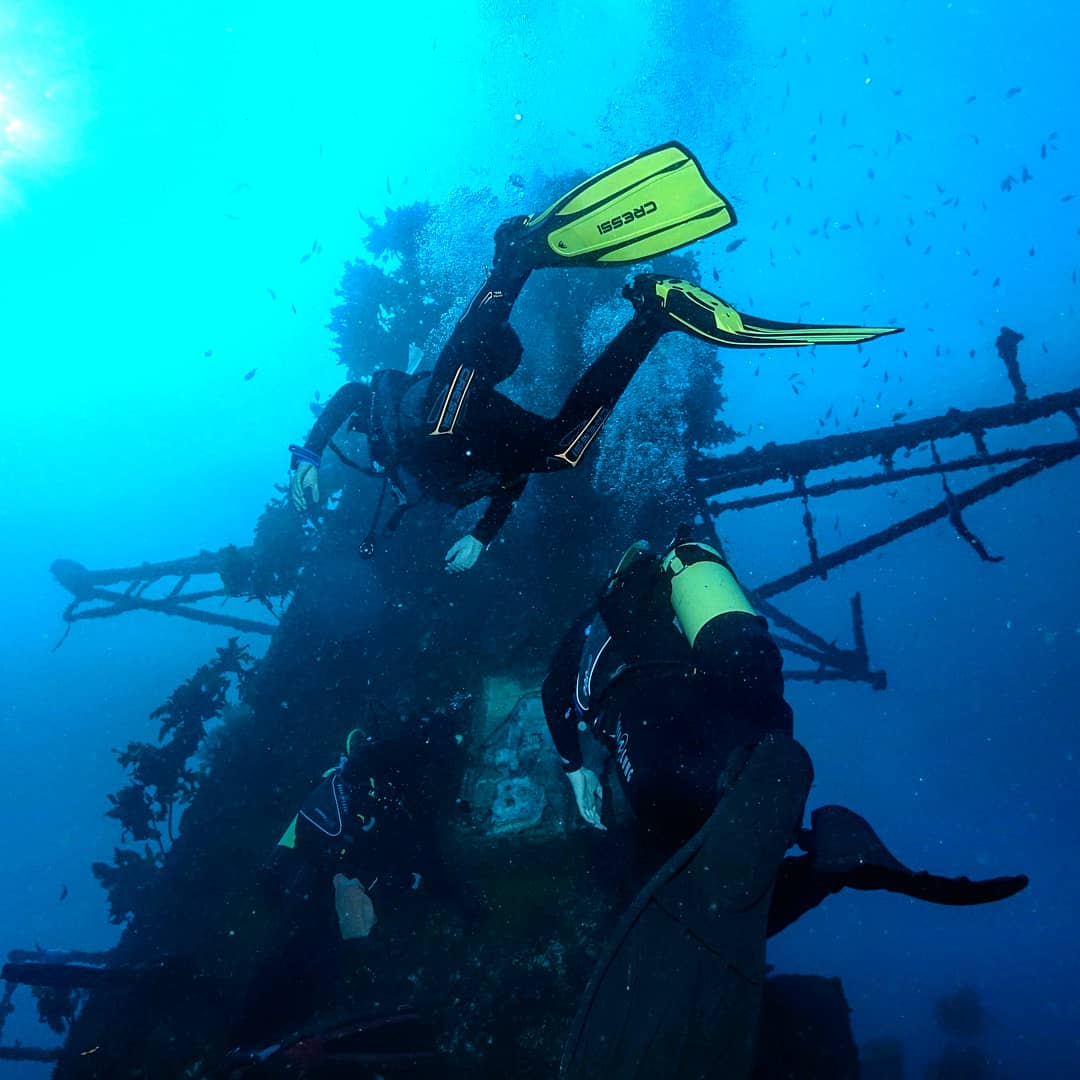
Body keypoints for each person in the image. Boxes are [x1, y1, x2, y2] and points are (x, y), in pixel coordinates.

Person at [543, 530, 1029, 1079]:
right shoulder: (686, 603)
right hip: (743, 690)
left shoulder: (600, 619)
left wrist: (575, 766)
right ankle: (779, 810)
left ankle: (811, 854)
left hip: (661, 712)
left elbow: (555, 690)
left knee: (661, 856)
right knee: (725, 805)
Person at [289, 143, 900, 572]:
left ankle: (514, 257)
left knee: (445, 410)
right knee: (563, 451)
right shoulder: (445, 494)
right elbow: (509, 482)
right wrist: (482, 534)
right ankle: (651, 316)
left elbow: (348, 396)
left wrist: (309, 454)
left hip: (453, 390)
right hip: (478, 419)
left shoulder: (384, 436)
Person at [226, 710, 464, 1063]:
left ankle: (253, 1042)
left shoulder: (348, 782)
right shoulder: (379, 781)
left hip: (309, 882)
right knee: (314, 955)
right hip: (325, 883)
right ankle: (266, 1043)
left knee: (296, 952)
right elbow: (389, 851)